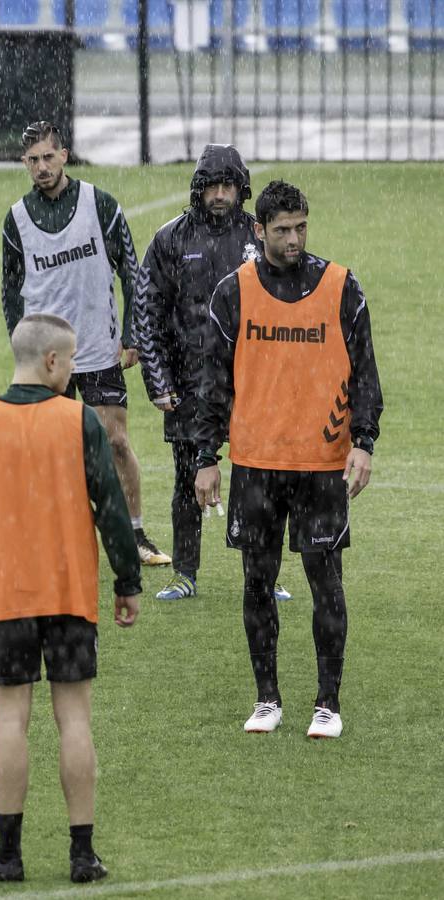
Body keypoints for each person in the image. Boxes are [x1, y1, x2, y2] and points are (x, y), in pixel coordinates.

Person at [0, 314, 141, 884]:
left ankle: (9, 854)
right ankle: (82, 855)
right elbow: (112, 509)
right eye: (71, 360)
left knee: (10, 722)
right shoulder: (80, 422)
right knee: (74, 719)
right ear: (52, 361)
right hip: (69, 591)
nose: (72, 370)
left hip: (6, 595)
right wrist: (127, 580)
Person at [195, 180, 382, 739]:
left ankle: (328, 702)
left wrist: (363, 443)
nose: (294, 238)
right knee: (257, 583)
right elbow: (213, 385)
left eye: (301, 227)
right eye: (282, 230)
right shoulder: (234, 292)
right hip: (256, 465)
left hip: (322, 465)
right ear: (259, 230)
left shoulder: (342, 287)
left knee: (327, 582)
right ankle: (267, 699)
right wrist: (207, 457)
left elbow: (365, 374)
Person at [1, 120, 168, 568]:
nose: (41, 167)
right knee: (49, 451)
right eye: (33, 159)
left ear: (64, 155)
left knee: (114, 442)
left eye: (48, 157)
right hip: (45, 358)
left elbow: (132, 274)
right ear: (24, 163)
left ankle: (134, 534)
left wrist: (132, 334)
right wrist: (23, 353)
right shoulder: (16, 219)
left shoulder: (100, 205)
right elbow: (10, 292)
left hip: (96, 347)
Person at [135, 147, 293, 604]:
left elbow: (288, 306)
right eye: (211, 187)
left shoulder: (259, 238)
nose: (219, 195)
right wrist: (157, 379)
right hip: (188, 384)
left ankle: (266, 574)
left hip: (253, 383)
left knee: (260, 481)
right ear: (198, 189)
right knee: (188, 478)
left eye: (228, 186)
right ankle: (185, 572)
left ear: (241, 190)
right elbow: (148, 313)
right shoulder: (170, 240)